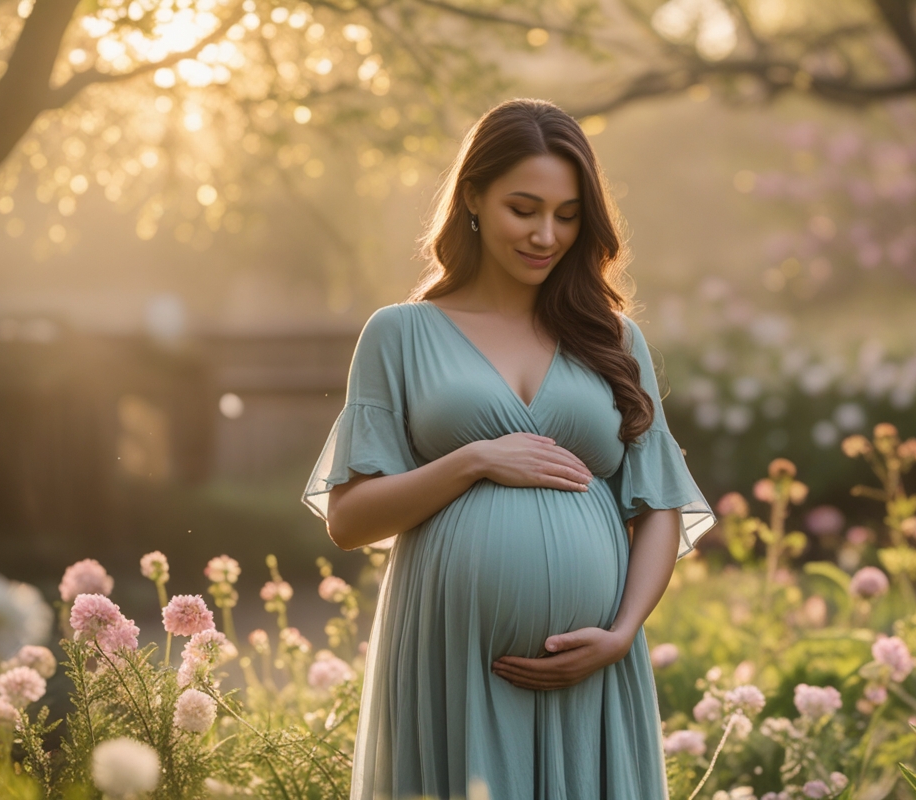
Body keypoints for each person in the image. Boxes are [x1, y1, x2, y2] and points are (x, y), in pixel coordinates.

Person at [302, 98, 716, 800]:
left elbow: (658, 506)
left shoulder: (614, 341)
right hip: (450, 659)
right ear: (472, 197)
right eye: (523, 209)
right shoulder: (399, 335)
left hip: (593, 667)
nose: (545, 235)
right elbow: (350, 519)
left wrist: (619, 635)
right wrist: (475, 459)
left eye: (567, 214)